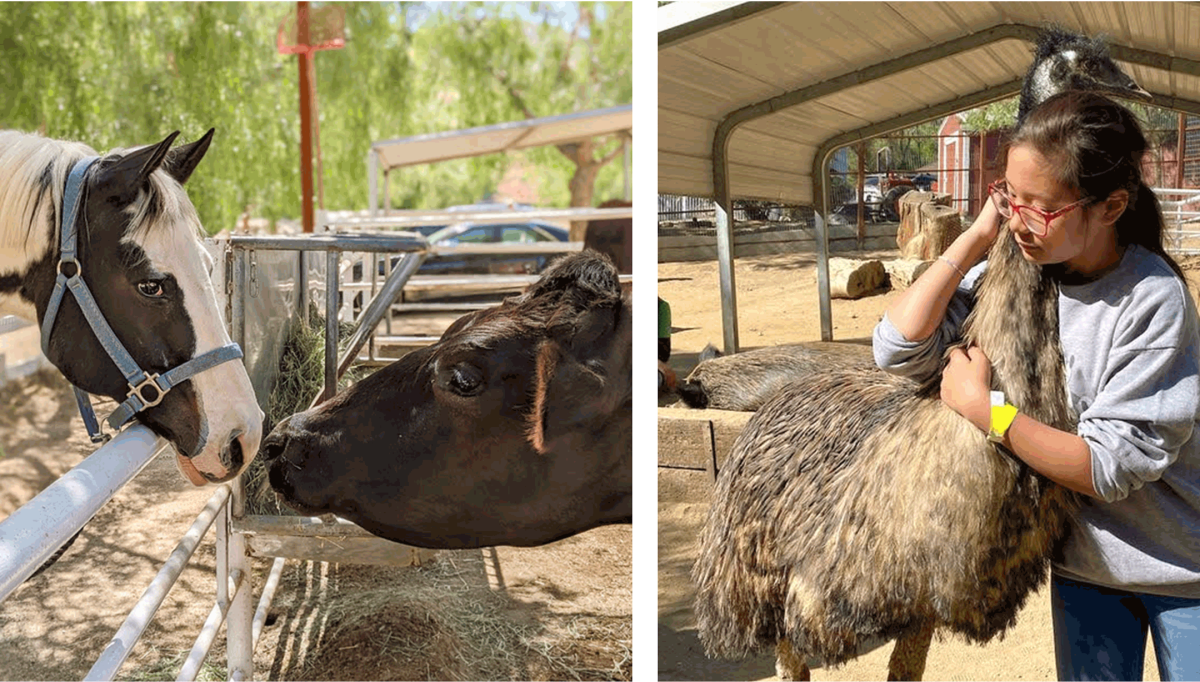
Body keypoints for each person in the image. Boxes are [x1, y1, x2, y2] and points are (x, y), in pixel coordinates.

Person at [873, 91, 1200, 681]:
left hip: (1181, 567)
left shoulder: (1151, 299)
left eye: (1039, 207)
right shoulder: (1016, 272)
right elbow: (896, 349)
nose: (1019, 221)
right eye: (1009, 198)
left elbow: (1108, 468)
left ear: (1111, 206)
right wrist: (978, 234)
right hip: (1082, 564)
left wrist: (987, 412)